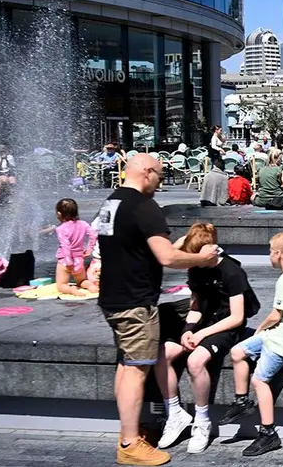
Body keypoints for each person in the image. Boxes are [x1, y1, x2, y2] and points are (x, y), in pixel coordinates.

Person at [94, 153, 218, 465]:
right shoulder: (145, 206)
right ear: (147, 172)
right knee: (137, 370)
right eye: (161, 177)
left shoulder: (111, 202)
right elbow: (165, 258)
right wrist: (202, 260)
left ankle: (129, 431)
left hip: (112, 298)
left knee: (126, 366)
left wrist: (176, 245)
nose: (160, 184)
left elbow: (133, 248)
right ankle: (130, 444)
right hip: (136, 302)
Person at [155, 223, 257, 454]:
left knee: (195, 361)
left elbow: (237, 317)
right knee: (163, 355)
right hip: (204, 323)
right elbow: (196, 305)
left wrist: (201, 333)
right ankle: (175, 413)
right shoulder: (196, 267)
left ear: (211, 251)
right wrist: (188, 329)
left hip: (226, 325)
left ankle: (201, 421)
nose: (193, 263)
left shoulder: (231, 271)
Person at [222, 233, 283, 456]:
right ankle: (241, 402)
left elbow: (275, 315)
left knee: (260, 380)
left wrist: (260, 329)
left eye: (270, 251)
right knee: (238, 351)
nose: (269, 255)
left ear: (279, 254)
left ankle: (269, 433)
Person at [41, 198, 98, 295]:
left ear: (59, 214)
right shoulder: (83, 224)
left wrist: (68, 262)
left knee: (61, 285)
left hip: (65, 261)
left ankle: (72, 290)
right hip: (79, 259)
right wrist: (88, 250)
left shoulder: (61, 229)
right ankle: (91, 287)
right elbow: (94, 235)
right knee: (82, 281)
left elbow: (65, 246)